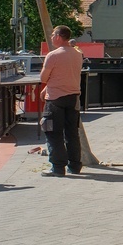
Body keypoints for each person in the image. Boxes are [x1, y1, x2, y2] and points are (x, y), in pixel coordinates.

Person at [39, 25, 84, 177]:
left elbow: (43, 78)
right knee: (72, 133)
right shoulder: (77, 54)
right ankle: (75, 166)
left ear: (59, 36)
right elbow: (67, 74)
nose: (51, 38)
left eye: (53, 35)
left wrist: (47, 87)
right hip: (73, 97)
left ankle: (58, 167)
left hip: (55, 99)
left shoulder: (53, 55)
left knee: (53, 132)